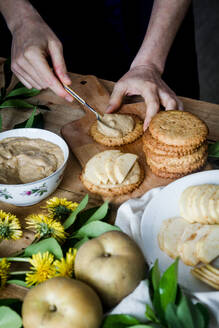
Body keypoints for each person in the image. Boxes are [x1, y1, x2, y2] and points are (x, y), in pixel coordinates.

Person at [0, 0, 199, 129]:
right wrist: (20, 19)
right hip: (42, 19)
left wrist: (149, 64)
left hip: (153, 21)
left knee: (165, 110)